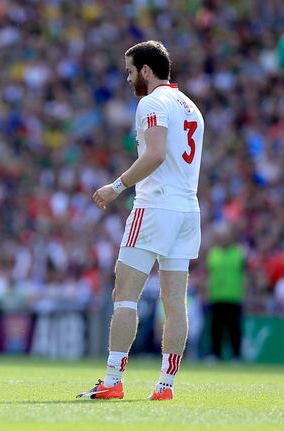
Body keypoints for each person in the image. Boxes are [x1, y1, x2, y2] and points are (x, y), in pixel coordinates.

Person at [77, 40, 204, 401]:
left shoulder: (152, 102)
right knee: (175, 302)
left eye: (131, 71)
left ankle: (113, 379)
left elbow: (155, 154)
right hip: (187, 210)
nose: (128, 77)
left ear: (146, 71)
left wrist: (116, 187)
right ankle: (165, 385)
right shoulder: (191, 107)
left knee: (125, 295)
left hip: (154, 207)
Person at [206, 223, 246, 361]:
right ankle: (215, 354)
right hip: (216, 296)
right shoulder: (213, 253)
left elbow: (246, 275)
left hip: (234, 296)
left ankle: (236, 355)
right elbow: (208, 275)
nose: (224, 239)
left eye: (226, 237)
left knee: (234, 329)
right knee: (216, 329)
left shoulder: (239, 253)